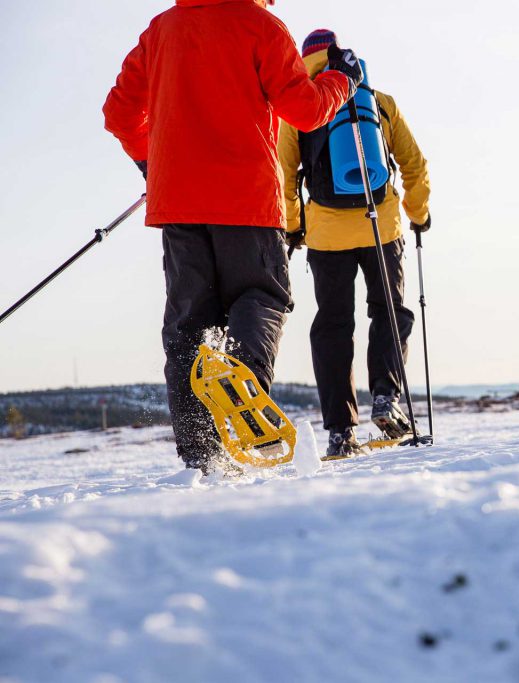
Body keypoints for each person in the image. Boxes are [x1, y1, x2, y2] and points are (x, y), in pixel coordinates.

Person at [102, 0, 364, 473]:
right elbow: (305, 111)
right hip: (247, 202)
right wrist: (341, 80)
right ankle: (242, 384)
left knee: (188, 329)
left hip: (179, 205)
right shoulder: (260, 24)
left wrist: (151, 163)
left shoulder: (162, 30)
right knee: (261, 297)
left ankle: (201, 456)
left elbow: (119, 114)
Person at [278, 29, 431, 459]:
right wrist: (418, 214)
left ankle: (341, 430)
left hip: (327, 236)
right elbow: (414, 165)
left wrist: (295, 229)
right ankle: (386, 398)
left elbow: (284, 178)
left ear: (304, 61)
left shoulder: (298, 108)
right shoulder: (378, 100)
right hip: (382, 227)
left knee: (333, 326)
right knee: (389, 311)